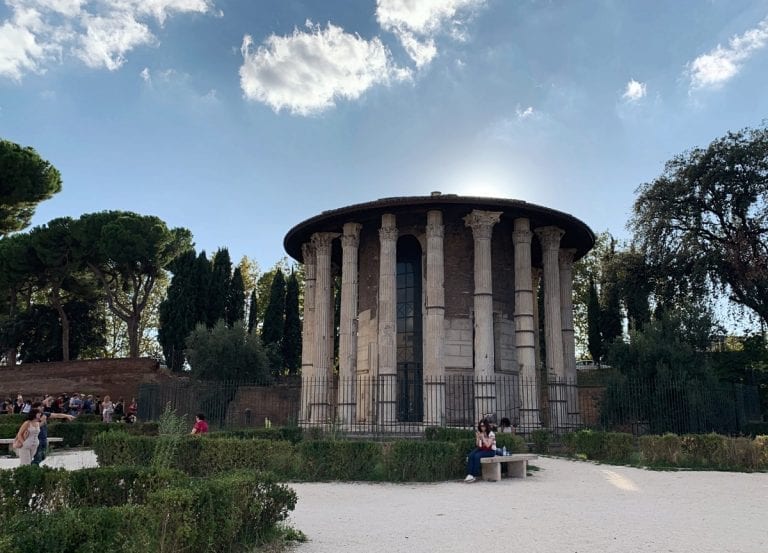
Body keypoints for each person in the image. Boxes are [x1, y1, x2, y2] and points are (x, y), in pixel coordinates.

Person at [32, 399, 75, 466]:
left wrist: (67, 416)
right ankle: (32, 469)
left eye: (42, 406)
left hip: (44, 439)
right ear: (35, 408)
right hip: (36, 440)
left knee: (43, 456)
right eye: (40, 406)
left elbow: (56, 415)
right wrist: (42, 421)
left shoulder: (44, 414)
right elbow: (33, 428)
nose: (42, 407)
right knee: (38, 457)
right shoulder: (31, 417)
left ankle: (32, 467)